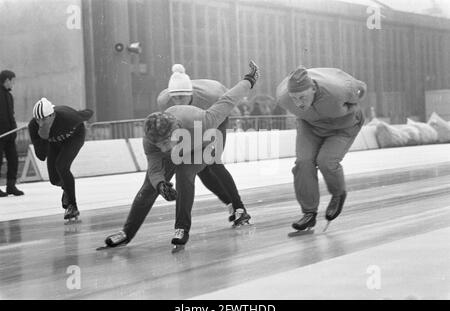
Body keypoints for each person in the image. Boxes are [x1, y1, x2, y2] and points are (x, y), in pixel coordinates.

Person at [103, 61, 259, 249]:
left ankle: (182, 228)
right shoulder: (152, 140)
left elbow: (228, 100)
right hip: (182, 141)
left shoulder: (204, 119)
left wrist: (249, 80)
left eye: (164, 144)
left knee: (187, 173)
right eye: (157, 145)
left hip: (207, 137)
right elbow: (154, 168)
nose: (162, 149)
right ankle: (127, 233)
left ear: (175, 132)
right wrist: (160, 184)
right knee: (148, 188)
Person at [156, 64, 250, 225]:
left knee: (212, 161)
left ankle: (239, 208)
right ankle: (230, 203)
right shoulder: (164, 101)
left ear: (191, 93)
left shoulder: (212, 95)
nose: (178, 102)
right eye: (175, 98)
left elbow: (229, 102)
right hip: (194, 124)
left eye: (183, 97)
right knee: (197, 165)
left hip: (215, 119)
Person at [276, 66, 367, 232]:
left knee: (326, 161)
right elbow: (295, 102)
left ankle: (338, 193)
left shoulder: (337, 91)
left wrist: (350, 109)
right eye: (294, 98)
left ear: (313, 88)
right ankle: (309, 213)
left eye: (302, 97)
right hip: (310, 126)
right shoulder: (283, 97)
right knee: (303, 162)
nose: (298, 103)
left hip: (343, 126)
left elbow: (361, 89)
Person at [28, 98, 94, 221]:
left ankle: (72, 206)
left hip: (74, 137)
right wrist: (43, 136)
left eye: (44, 119)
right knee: (54, 179)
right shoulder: (33, 126)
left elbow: (87, 113)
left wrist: (87, 112)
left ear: (52, 115)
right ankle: (67, 189)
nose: (40, 123)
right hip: (54, 143)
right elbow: (41, 155)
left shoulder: (68, 117)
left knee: (61, 166)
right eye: (38, 119)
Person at [0, 70, 24, 197]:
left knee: (13, 160)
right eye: (12, 81)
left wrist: (13, 129)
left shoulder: (9, 96)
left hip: (9, 134)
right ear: (7, 80)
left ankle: (11, 186)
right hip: (0, 135)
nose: (13, 84)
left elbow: (11, 115)